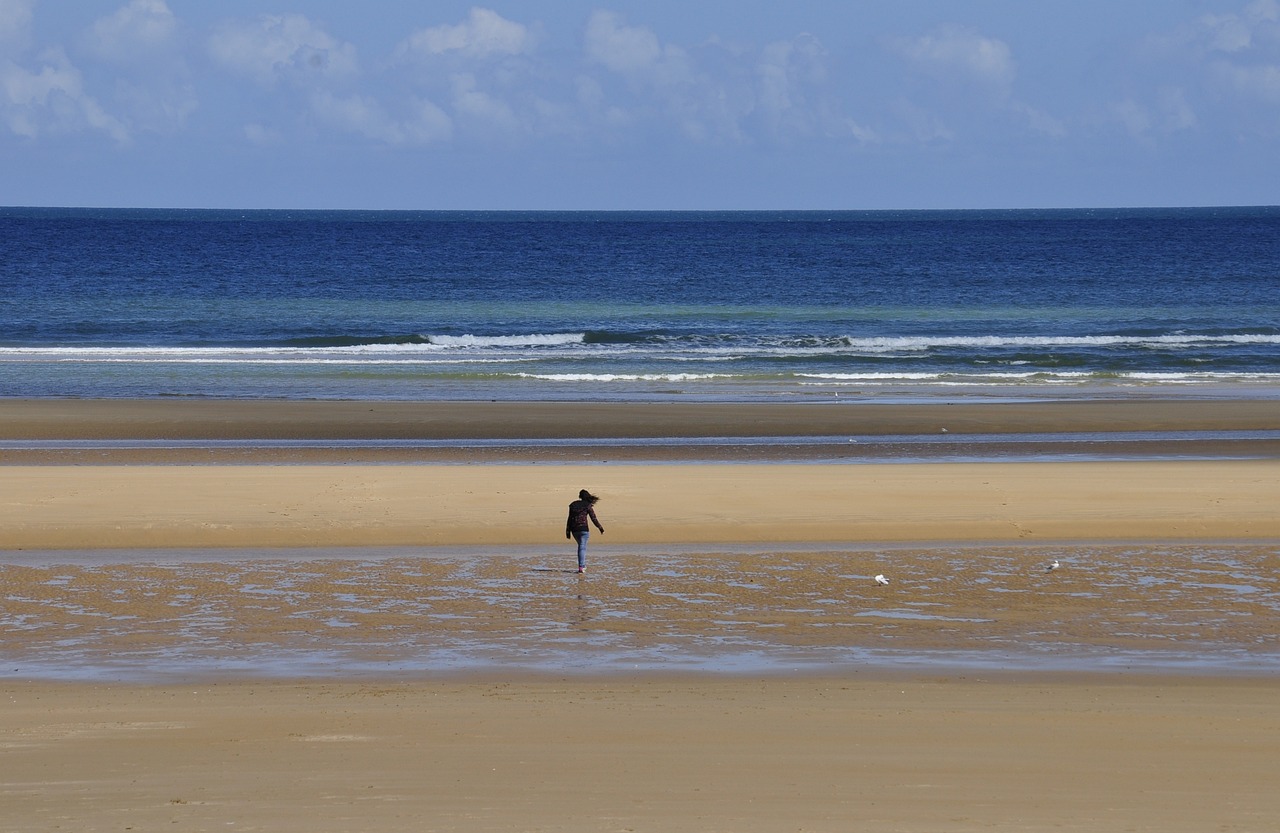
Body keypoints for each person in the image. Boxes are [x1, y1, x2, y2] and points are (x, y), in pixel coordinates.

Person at [565, 489, 604, 574]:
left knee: (580, 546)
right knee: (582, 547)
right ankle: (581, 566)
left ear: (580, 496)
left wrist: (567, 531)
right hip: (583, 529)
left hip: (574, 530)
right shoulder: (587, 505)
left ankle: (582, 566)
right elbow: (593, 518)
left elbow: (569, 518)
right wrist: (600, 527)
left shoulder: (573, 505)